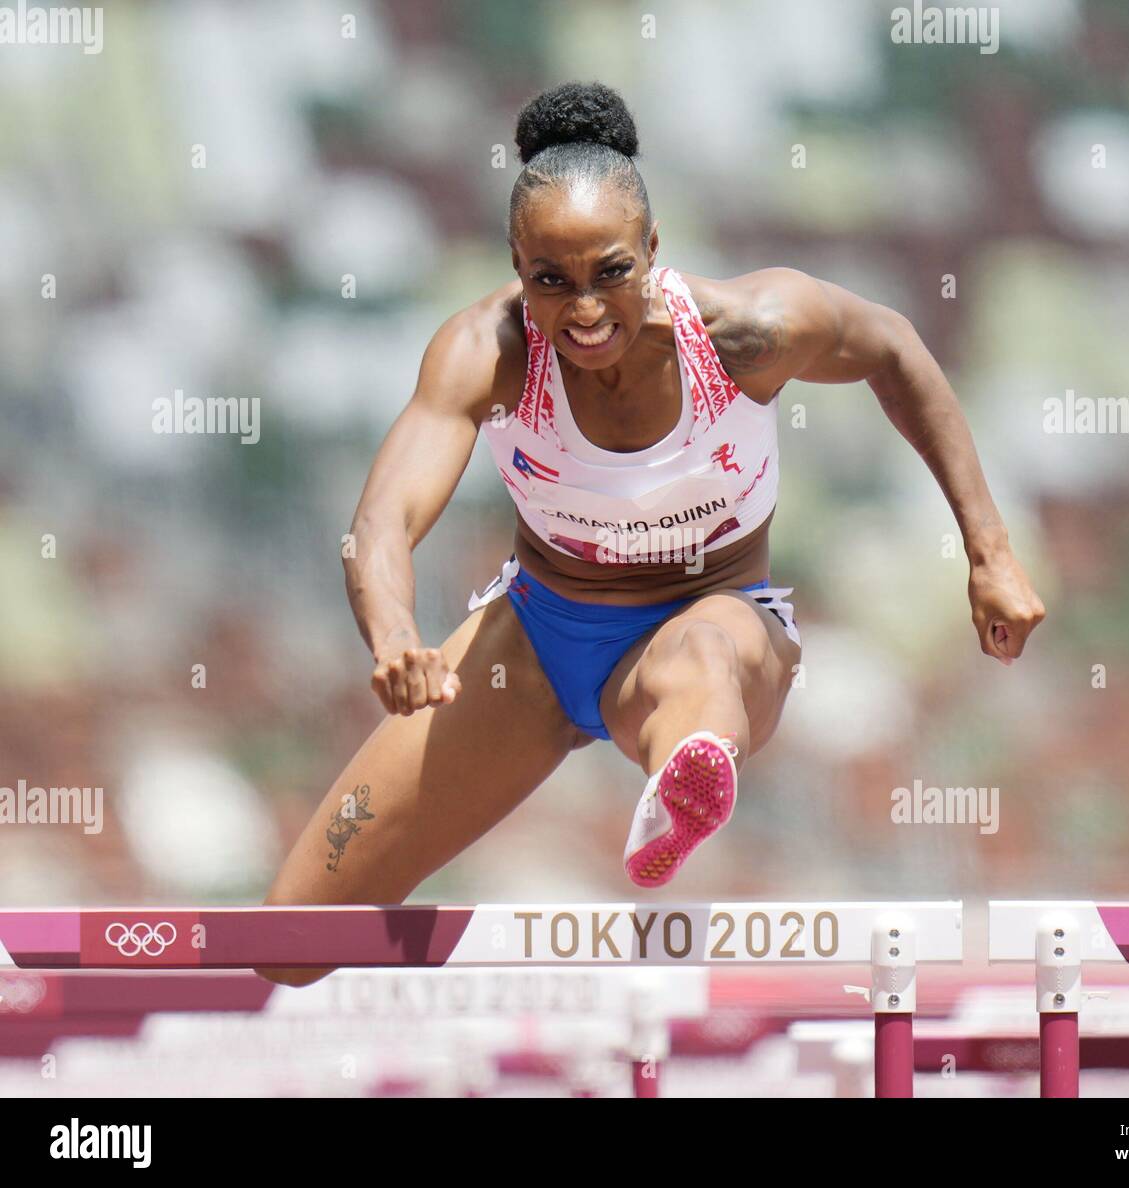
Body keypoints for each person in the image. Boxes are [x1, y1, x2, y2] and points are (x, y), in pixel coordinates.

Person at [258, 81, 1044, 986]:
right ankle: (679, 772)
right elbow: (382, 520)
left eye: (610, 275)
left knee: (699, 659)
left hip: (716, 621)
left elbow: (896, 349)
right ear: (517, 267)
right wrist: (395, 634)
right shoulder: (489, 351)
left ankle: (683, 779)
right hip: (540, 639)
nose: (585, 311)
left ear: (653, 251)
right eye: (551, 282)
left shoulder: (744, 333)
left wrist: (989, 551)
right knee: (290, 943)